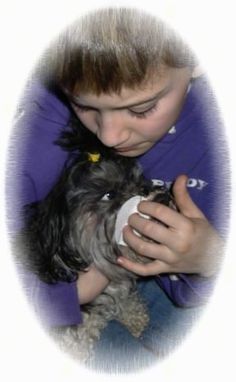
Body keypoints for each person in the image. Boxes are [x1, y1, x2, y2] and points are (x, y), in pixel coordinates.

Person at [8, 7, 229, 370]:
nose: (108, 136)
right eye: (82, 105)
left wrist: (212, 257)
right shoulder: (39, 115)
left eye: (141, 109)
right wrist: (70, 293)